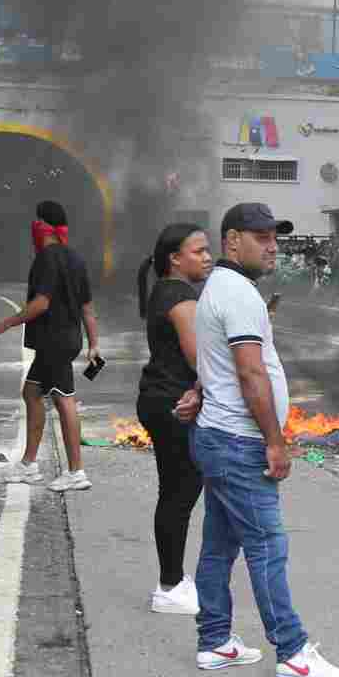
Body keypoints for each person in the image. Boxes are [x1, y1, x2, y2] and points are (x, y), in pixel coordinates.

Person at [188, 202, 339, 677]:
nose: (272, 245)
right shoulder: (237, 293)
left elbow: (216, 364)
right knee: (267, 546)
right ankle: (293, 652)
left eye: (274, 236)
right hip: (239, 441)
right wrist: (274, 442)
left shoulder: (222, 287)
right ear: (232, 241)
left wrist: (198, 394)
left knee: (220, 545)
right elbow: (249, 370)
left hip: (218, 437)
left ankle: (215, 641)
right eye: (260, 237)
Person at [0, 201, 98, 492]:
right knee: (32, 392)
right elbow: (88, 308)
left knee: (64, 400)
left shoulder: (46, 258)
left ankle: (75, 472)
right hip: (68, 340)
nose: (34, 228)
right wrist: (93, 344)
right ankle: (29, 464)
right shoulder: (76, 259)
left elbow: (41, 303)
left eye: (37, 222)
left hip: (54, 340)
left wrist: (7, 323)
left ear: (43, 227)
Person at [136, 224, 213, 615]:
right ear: (175, 259)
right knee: (180, 494)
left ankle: (173, 580)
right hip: (173, 403)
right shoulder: (180, 295)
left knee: (176, 492)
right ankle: (169, 586)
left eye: (207, 250)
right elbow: (200, 357)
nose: (207, 256)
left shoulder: (166, 291)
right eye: (198, 251)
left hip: (159, 399)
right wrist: (201, 390)